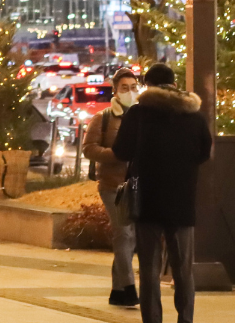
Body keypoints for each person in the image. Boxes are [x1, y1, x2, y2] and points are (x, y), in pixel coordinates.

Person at [111, 63, 212, 323]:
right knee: (183, 269)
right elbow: (204, 152)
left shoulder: (138, 113)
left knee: (149, 269)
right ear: (175, 85)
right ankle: (185, 319)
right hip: (182, 201)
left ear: (148, 87)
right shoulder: (194, 115)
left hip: (147, 200)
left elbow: (121, 151)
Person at [81, 67, 141, 307]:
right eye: (124, 88)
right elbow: (89, 148)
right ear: (115, 91)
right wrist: (116, 154)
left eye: (133, 87)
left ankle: (117, 291)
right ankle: (129, 287)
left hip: (137, 184)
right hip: (112, 185)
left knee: (130, 236)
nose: (130, 92)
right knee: (123, 233)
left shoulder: (142, 116)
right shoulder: (104, 118)